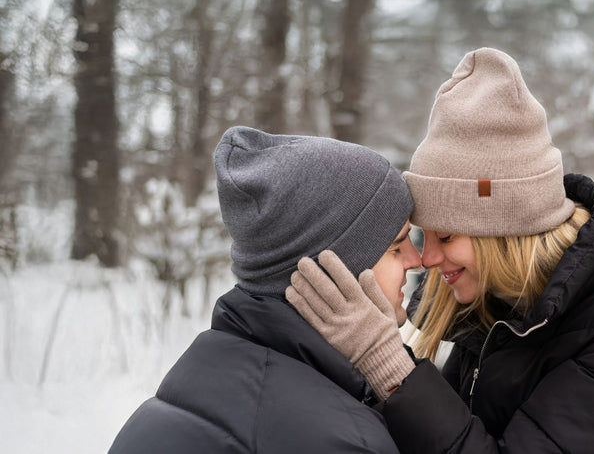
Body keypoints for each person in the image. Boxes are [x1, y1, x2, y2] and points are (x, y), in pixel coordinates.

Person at [287, 48, 594, 453]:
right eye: (423, 236)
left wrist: (386, 362)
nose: (427, 259)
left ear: (506, 232)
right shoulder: (501, 300)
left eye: (446, 237)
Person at [110, 127, 422, 453]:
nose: (418, 261)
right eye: (398, 246)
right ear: (331, 272)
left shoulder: (195, 379)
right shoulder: (341, 440)